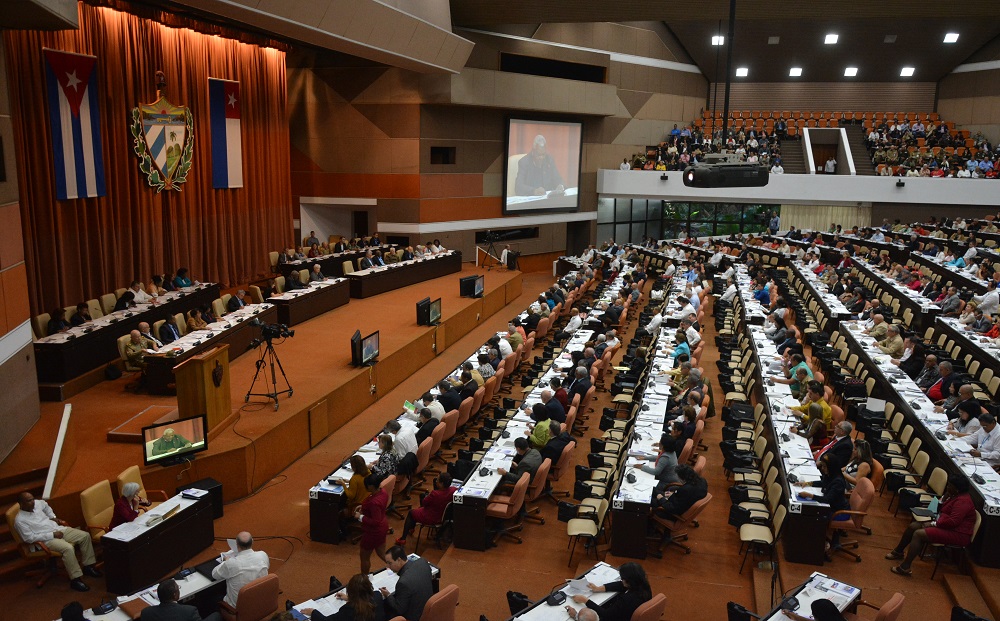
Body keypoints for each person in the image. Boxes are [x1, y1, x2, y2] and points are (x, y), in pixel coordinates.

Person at [887, 475, 977, 576]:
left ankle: (905, 567)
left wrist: (933, 524)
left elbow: (953, 522)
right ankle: (898, 552)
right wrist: (943, 499)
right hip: (946, 526)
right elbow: (941, 511)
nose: (947, 487)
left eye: (949, 486)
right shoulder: (954, 495)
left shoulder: (963, 502)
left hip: (958, 534)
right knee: (913, 526)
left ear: (956, 489)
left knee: (919, 534)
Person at [13, 492, 100, 592]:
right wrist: (52, 535)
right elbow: (29, 538)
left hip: (57, 529)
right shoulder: (20, 521)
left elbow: (45, 505)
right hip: (45, 540)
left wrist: (52, 517)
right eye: (29, 501)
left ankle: (88, 566)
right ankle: (76, 579)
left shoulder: (37, 503)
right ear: (21, 503)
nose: (33, 502)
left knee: (85, 536)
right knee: (68, 548)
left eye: (32, 499)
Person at [795, 453, 850, 549]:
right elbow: (823, 482)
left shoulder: (838, 482)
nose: (823, 468)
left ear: (831, 467)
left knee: (813, 514)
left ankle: (819, 544)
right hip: (832, 506)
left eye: (825, 466)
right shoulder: (831, 474)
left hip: (839, 511)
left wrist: (809, 495)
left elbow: (827, 499)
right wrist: (807, 483)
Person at [567, 562, 652, 621]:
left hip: (616, 618)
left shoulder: (626, 600)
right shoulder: (644, 587)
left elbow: (606, 615)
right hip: (629, 615)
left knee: (585, 616)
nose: (621, 580)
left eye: (622, 579)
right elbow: (621, 585)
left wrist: (585, 601)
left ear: (629, 581)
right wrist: (598, 588)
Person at [395, 473, 455, 547]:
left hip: (432, 517)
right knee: (418, 510)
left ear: (442, 484)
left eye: (438, 480)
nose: (436, 481)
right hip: (443, 515)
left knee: (411, 513)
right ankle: (411, 528)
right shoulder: (453, 490)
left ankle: (403, 538)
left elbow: (424, 502)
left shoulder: (435, 494)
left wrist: (428, 496)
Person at [212, 531, 270, 608]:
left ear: (237, 544)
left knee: (211, 599)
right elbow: (267, 566)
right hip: (259, 601)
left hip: (237, 609)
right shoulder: (263, 555)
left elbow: (214, 574)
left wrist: (226, 561)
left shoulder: (231, 563)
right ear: (252, 542)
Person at [380, 547, 433, 621]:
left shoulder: (403, 583)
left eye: (390, 563)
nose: (387, 566)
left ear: (399, 560)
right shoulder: (423, 562)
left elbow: (399, 609)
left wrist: (388, 595)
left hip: (415, 617)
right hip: (428, 608)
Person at [307, 573, 386, 621]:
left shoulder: (348, 609)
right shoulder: (377, 595)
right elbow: (364, 600)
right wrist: (349, 598)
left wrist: (313, 612)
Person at [356, 474, 389, 574]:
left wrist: (360, 517)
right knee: (381, 553)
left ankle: (364, 578)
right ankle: (399, 568)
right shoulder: (383, 492)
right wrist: (363, 508)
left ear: (371, 486)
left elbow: (375, 521)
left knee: (364, 557)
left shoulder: (374, 503)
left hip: (373, 532)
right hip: (382, 527)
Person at [140, 579, 216, 621]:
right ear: (174, 595)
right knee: (216, 615)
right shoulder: (190, 611)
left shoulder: (146, 612)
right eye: (178, 588)